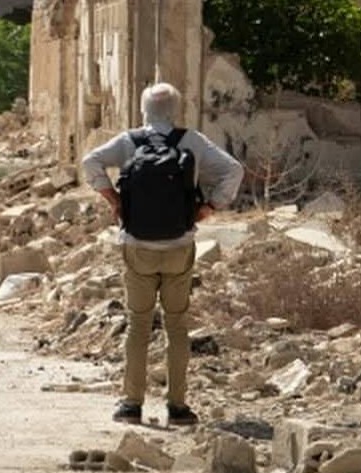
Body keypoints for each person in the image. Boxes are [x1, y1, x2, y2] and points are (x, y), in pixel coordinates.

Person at [81, 82, 243, 426]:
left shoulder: (128, 141)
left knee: (138, 325)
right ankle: (178, 407)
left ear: (143, 111)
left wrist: (113, 198)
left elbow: (90, 161)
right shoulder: (193, 142)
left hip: (137, 246)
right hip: (179, 246)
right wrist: (211, 206)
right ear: (175, 112)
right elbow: (234, 170)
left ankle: (131, 405)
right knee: (177, 326)